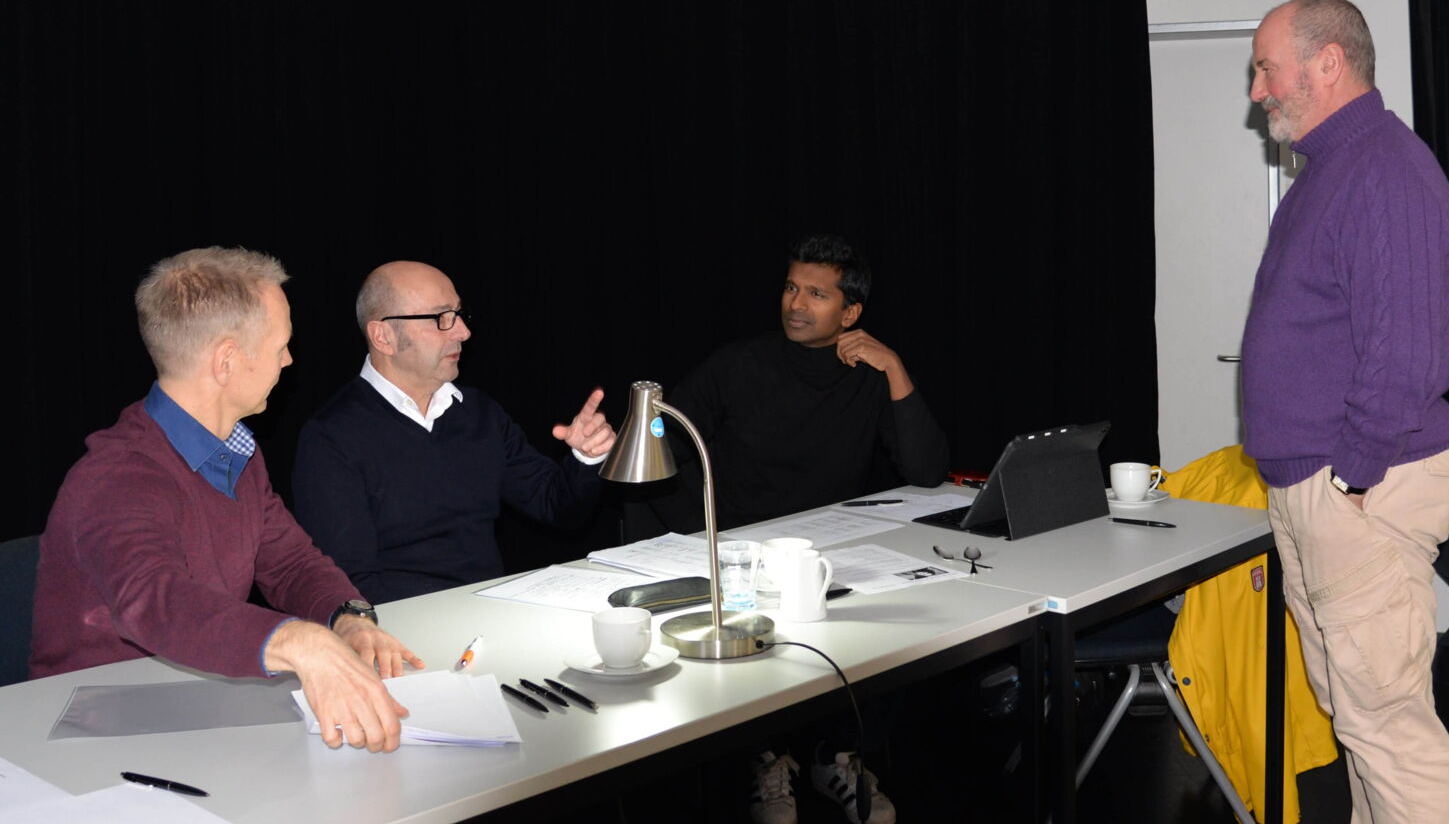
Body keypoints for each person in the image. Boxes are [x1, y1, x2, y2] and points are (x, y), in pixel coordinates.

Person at [31, 247, 422, 754]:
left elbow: (291, 564)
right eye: (281, 345)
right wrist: (296, 640)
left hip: (194, 705)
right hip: (93, 732)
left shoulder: (236, 452)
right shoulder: (119, 476)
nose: (288, 360)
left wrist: (346, 617)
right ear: (227, 361)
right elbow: (156, 602)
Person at [1241, 0, 1449, 824]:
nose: (1257, 91)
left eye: (1266, 68)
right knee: (1360, 719)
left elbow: (1406, 356)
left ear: (1328, 62)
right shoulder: (1334, 170)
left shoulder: (1383, 170)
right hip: (1326, 489)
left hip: (1359, 489)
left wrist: (1352, 480)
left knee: (1388, 728)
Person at [652, 235, 948, 824]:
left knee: (908, 620)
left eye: (816, 294)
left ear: (851, 313)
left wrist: (894, 367)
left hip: (835, 550)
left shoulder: (869, 374)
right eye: (791, 287)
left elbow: (927, 470)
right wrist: (701, 535)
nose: (796, 303)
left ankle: (834, 755)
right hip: (744, 556)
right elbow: (663, 441)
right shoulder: (737, 365)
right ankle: (766, 760)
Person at [292, 261, 614, 604]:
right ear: (383, 336)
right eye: (441, 318)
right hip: (399, 625)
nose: (463, 332)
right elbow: (346, 584)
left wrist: (585, 457)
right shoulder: (332, 437)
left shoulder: (478, 414)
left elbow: (557, 506)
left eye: (459, 314)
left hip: (487, 613)